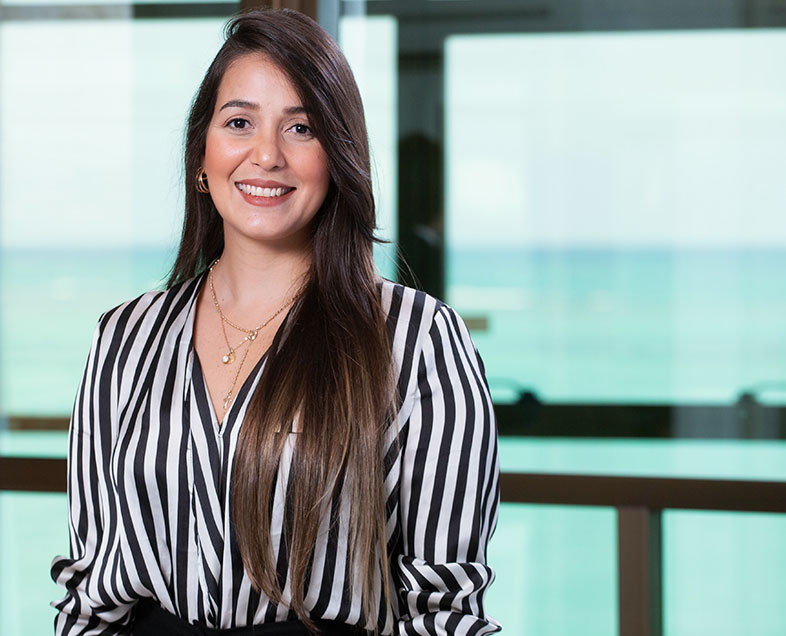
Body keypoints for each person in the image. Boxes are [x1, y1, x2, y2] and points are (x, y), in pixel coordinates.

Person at [50, 8, 500, 635]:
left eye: (302, 129)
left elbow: (443, 613)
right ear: (202, 159)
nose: (266, 155)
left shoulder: (417, 339)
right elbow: (90, 598)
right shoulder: (125, 337)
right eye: (239, 123)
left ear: (337, 159)